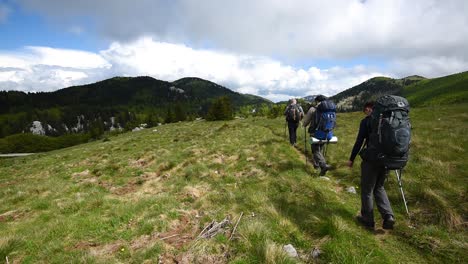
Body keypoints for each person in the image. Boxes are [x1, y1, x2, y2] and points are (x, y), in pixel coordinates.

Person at [347, 101, 395, 230]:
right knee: (379, 187)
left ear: (368, 109)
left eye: (365, 110)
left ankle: (367, 220)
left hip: (372, 159)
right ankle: (388, 216)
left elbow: (359, 141)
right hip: (388, 159)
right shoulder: (390, 120)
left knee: (367, 189)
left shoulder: (367, 121)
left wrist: (351, 158)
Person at [303, 95, 332, 175]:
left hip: (315, 133)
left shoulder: (313, 109)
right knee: (320, 149)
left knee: (315, 149)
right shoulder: (329, 110)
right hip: (326, 133)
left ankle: (322, 165)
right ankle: (317, 166)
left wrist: (304, 125)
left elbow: (306, 121)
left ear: (317, 101)